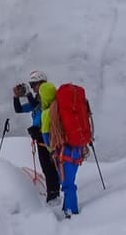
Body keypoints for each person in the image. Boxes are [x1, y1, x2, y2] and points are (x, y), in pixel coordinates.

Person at [13, 70, 60, 203]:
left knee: (49, 166)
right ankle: (53, 192)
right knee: (47, 166)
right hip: (40, 137)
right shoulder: (37, 100)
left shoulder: (47, 98)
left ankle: (54, 194)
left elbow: (35, 105)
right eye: (31, 85)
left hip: (47, 136)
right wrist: (16, 97)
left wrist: (28, 94)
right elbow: (19, 109)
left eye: (34, 84)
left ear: (42, 83)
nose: (32, 87)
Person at [40, 81, 82, 218]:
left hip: (64, 153)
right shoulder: (65, 108)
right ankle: (67, 207)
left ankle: (72, 212)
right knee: (69, 180)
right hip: (77, 148)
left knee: (67, 184)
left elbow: (47, 138)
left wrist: (51, 151)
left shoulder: (47, 113)